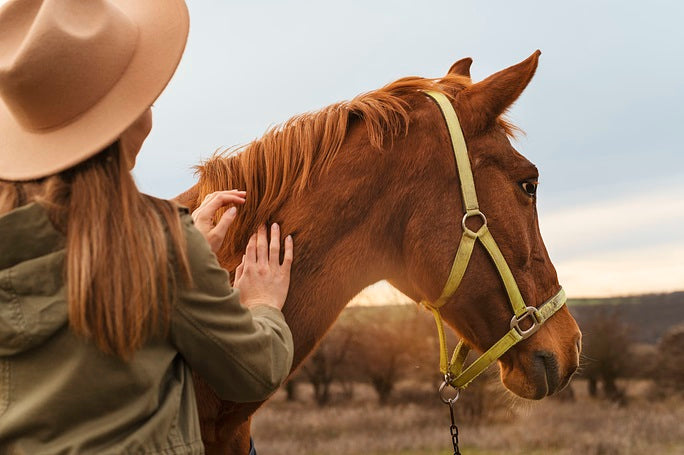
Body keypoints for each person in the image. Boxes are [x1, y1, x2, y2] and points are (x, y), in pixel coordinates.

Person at [0, 0, 294, 454]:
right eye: (145, 98)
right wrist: (262, 303)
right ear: (126, 124)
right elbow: (253, 371)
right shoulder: (160, 247)